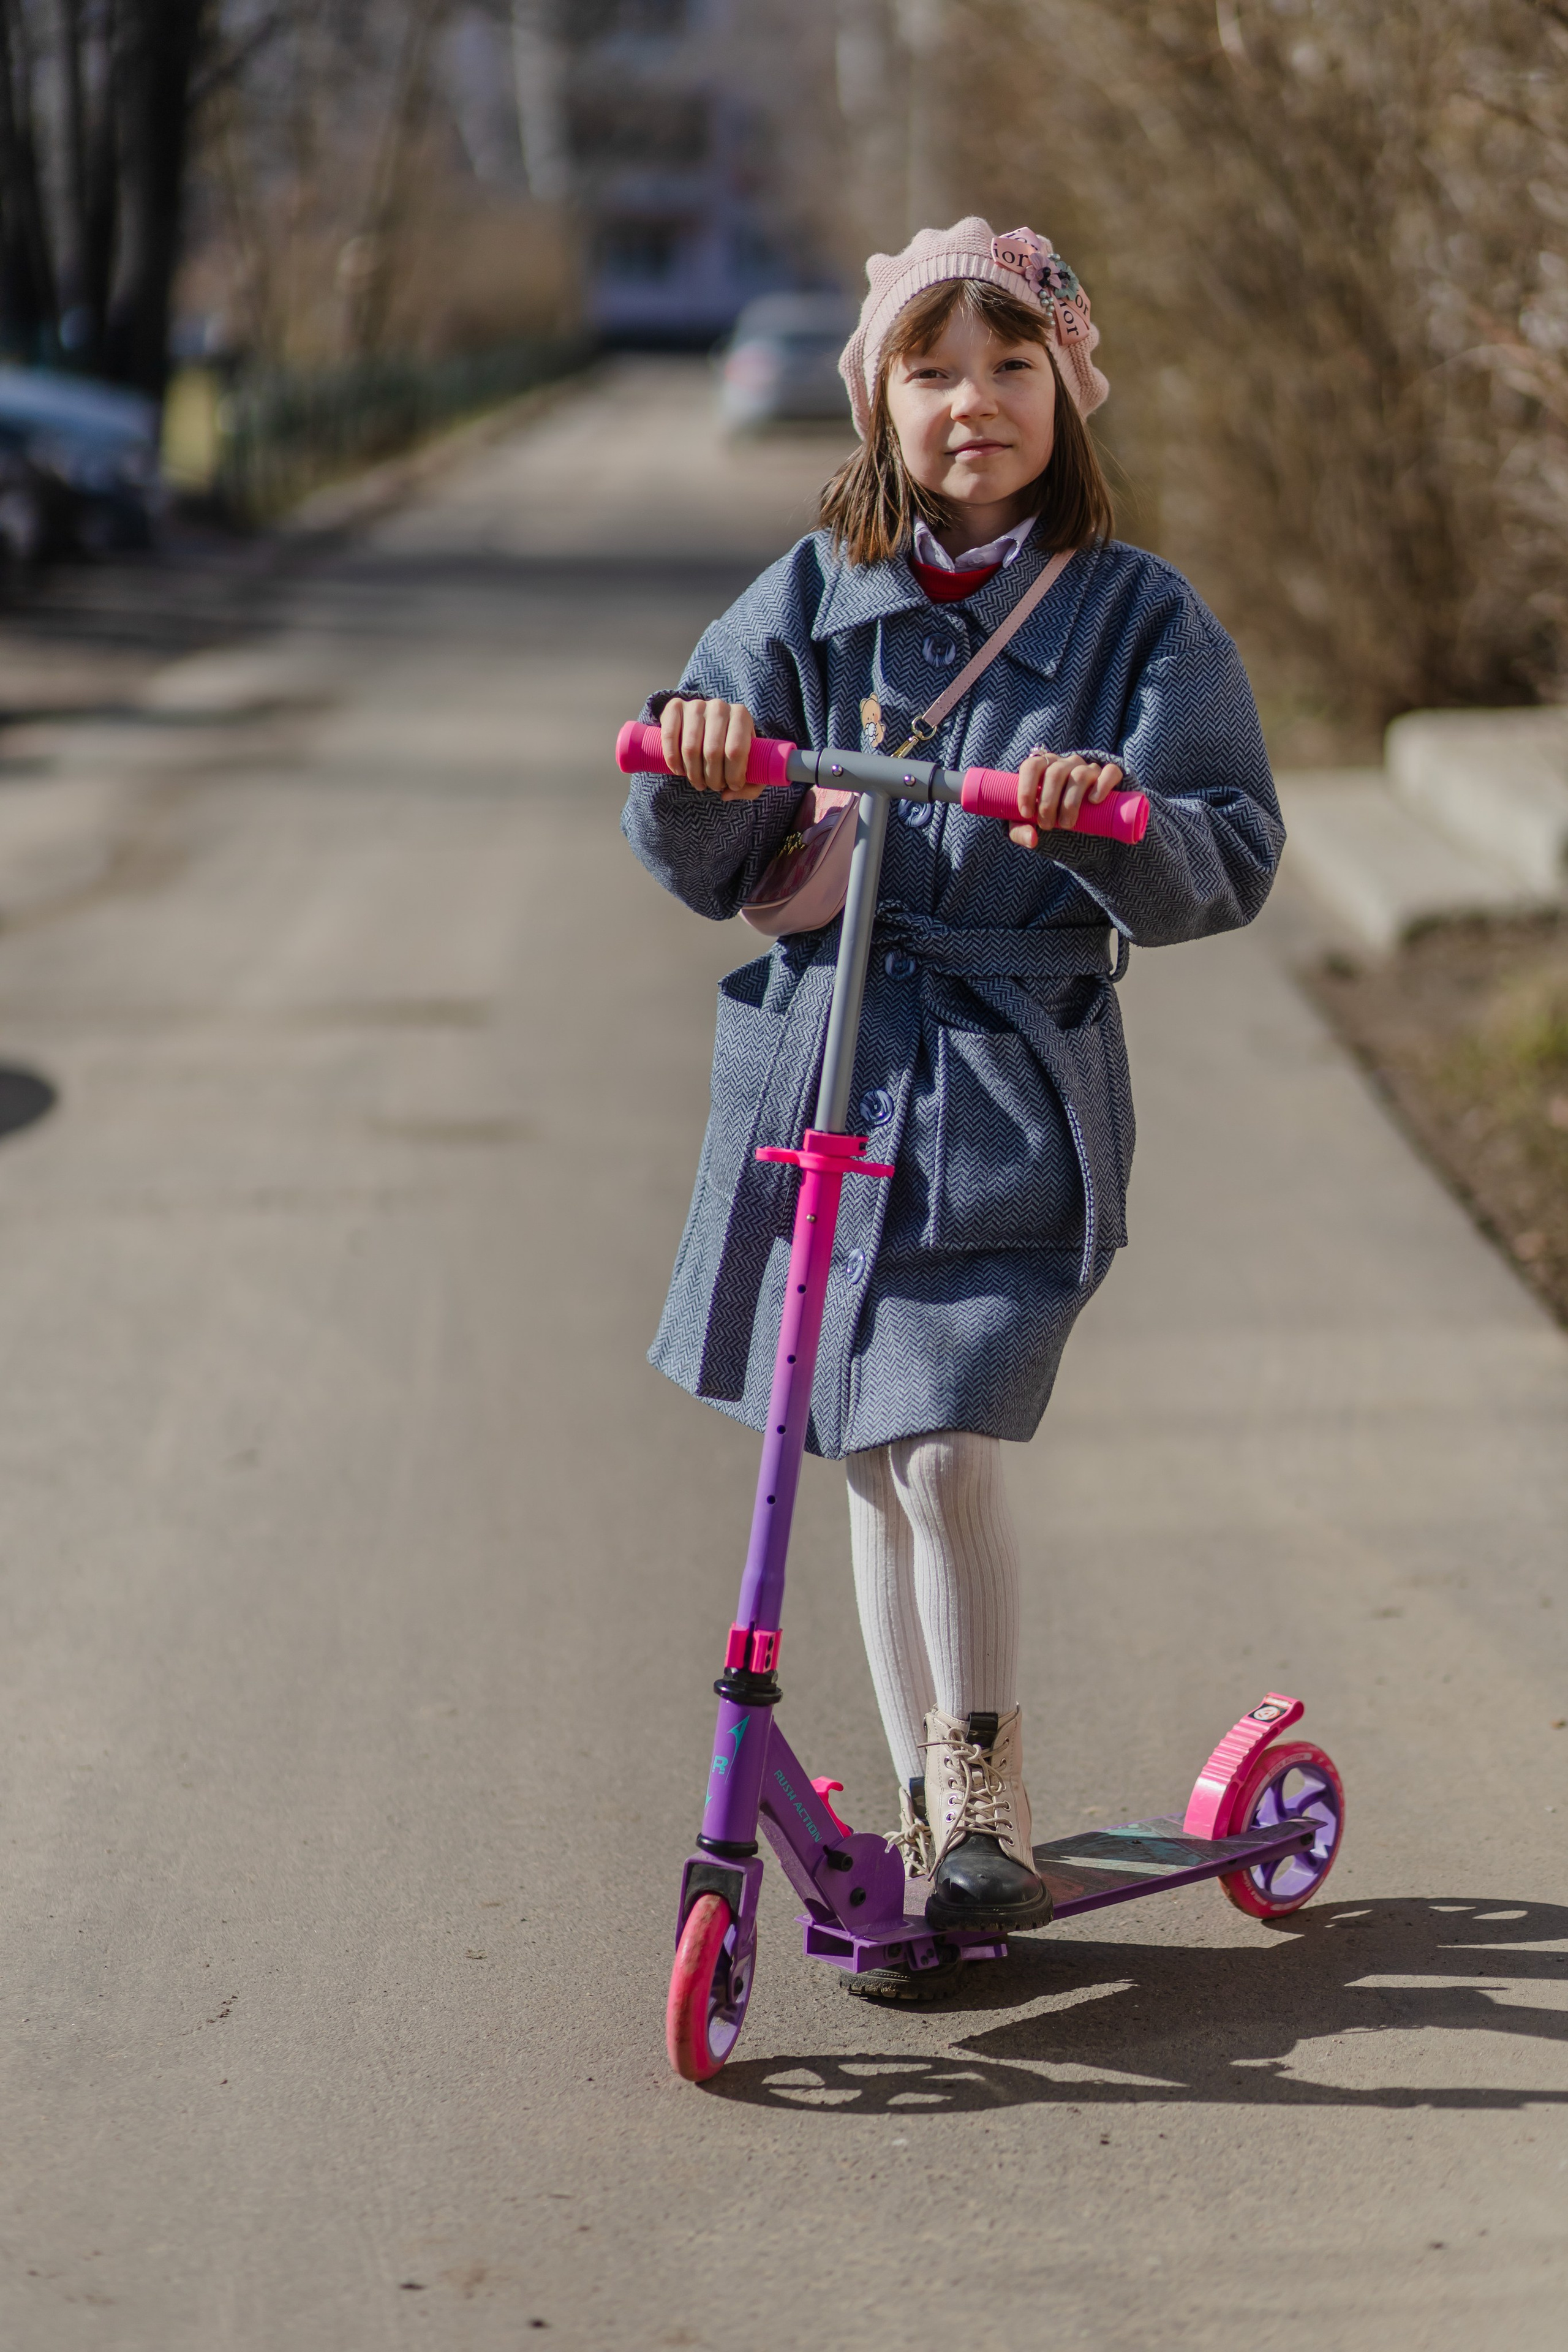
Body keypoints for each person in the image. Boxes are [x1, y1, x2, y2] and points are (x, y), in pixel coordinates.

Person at [622, 217, 1283, 1996]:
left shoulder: (1139, 619)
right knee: (862, 1436)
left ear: (1068, 387)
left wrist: (1108, 816)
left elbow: (1229, 845)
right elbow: (697, 810)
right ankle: (928, 1823)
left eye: (1010, 366)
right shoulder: (809, 600)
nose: (973, 402)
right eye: (932, 371)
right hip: (828, 1067)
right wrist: (702, 763)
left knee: (943, 1437)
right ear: (880, 403)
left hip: (1000, 1080)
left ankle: (978, 1788)